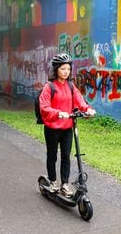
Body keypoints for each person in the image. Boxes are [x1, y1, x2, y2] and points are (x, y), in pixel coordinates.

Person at [39, 53, 96, 197]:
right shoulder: (49, 87)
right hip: (52, 128)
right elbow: (44, 107)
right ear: (56, 69)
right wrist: (58, 113)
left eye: (68, 69)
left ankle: (64, 183)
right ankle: (52, 181)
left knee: (66, 155)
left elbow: (79, 101)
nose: (66, 72)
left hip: (67, 128)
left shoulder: (71, 86)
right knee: (52, 155)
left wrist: (87, 109)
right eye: (63, 69)